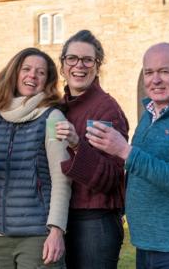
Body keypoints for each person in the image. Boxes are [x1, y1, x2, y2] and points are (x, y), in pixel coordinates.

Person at [87, 42, 169, 269]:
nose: (155, 80)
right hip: (146, 244)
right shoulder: (149, 115)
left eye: (164, 71)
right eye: (149, 72)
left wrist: (124, 150)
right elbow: (139, 172)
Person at [0, 47, 71, 268]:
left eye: (40, 73)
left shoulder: (52, 117)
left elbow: (62, 179)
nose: (32, 75)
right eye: (26, 69)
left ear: (46, 81)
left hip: (38, 233)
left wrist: (56, 230)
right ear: (15, 73)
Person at [54, 29, 129, 269]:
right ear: (63, 65)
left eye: (88, 60)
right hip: (64, 219)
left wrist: (77, 144)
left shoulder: (105, 110)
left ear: (98, 66)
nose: (79, 65)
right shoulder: (60, 107)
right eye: (72, 58)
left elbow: (111, 178)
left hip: (95, 222)